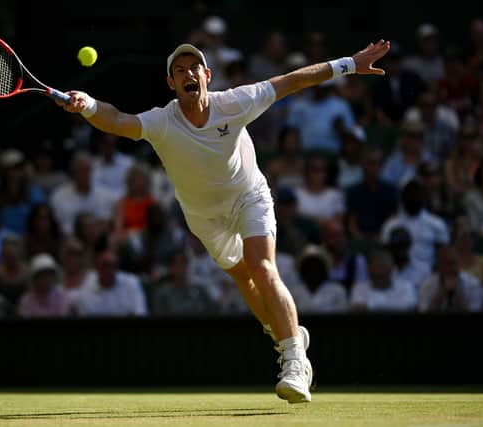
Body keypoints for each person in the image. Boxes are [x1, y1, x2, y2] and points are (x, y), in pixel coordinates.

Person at [57, 37, 390, 403]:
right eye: (179, 70)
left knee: (262, 267)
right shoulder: (161, 121)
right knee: (244, 279)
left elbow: (292, 80)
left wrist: (348, 63)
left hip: (249, 196)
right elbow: (118, 120)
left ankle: (295, 362)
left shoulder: (234, 102)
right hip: (204, 217)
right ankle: (286, 332)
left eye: (194, 67)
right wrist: (87, 105)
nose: (188, 73)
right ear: (171, 83)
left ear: (207, 75)